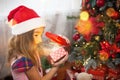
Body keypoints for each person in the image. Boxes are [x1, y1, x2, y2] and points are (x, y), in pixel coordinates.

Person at [7, 5, 69, 80]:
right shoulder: (24, 60)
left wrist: (62, 44)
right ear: (24, 37)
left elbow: (46, 52)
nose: (40, 40)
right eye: (36, 35)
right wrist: (55, 67)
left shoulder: (29, 49)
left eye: (41, 34)